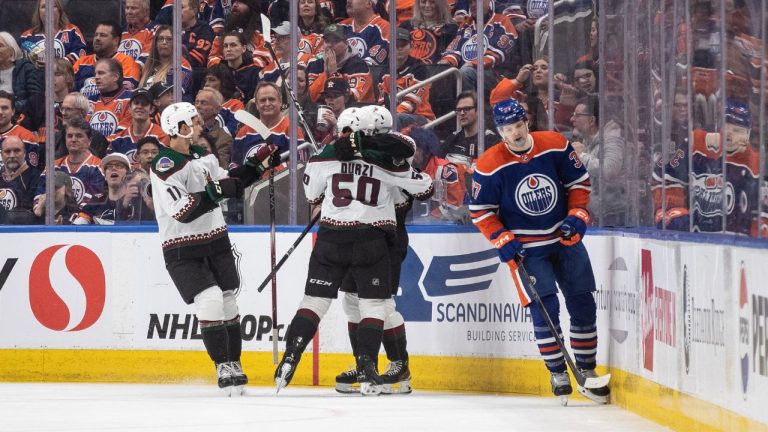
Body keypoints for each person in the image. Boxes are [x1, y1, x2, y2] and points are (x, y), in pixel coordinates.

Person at [274, 122, 434, 395]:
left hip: (384, 238)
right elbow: (423, 186)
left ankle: (397, 363)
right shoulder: (377, 158)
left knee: (380, 305)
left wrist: (354, 149)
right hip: (368, 236)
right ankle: (365, 365)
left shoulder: (387, 151)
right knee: (356, 304)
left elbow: (405, 152)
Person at [469, 98, 609, 404]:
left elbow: (579, 184)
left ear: (527, 122)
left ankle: (586, 370)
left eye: (518, 125)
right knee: (545, 311)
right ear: (499, 131)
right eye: (508, 128)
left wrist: (577, 215)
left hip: (565, 240)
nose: (515, 133)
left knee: (582, 303)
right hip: (528, 251)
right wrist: (502, 239)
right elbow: (480, 211)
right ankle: (558, 371)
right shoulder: (490, 164)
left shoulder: (555, 144)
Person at [149, 101, 279, 395]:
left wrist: (256, 167)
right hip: (182, 248)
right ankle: (222, 364)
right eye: (193, 121)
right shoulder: (163, 166)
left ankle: (235, 363)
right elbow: (183, 210)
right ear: (179, 128)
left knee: (228, 302)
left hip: (216, 240)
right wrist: (219, 191)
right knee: (209, 301)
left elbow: (227, 182)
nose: (199, 125)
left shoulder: (203, 157)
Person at [569, 96, 626, 226]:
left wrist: (582, 156)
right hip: (597, 213)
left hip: (612, 216)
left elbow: (609, 170)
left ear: (591, 120)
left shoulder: (612, 139)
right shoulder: (588, 140)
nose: (572, 119)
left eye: (577, 115)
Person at [35, 117, 105, 206]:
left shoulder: (98, 166)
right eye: (70, 136)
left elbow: (92, 201)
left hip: (83, 218)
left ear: (89, 141)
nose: (73, 139)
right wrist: (40, 209)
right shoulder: (54, 166)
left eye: (79, 136)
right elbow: (39, 194)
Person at [378, 27, 435, 128]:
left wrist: (390, 117)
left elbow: (411, 102)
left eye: (403, 45)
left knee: (398, 118)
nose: (399, 48)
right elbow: (382, 101)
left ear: (411, 46)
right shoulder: (384, 71)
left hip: (422, 117)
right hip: (395, 117)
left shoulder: (419, 68)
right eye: (396, 45)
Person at [306, 24, 375, 103]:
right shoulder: (315, 65)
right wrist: (326, 74)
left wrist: (334, 75)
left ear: (346, 43)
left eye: (336, 41)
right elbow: (309, 99)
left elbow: (353, 99)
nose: (330, 45)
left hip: (356, 112)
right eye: (327, 41)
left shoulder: (359, 66)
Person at [72, 20, 141, 98]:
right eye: (96, 35)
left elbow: (126, 92)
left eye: (103, 35)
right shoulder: (82, 62)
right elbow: (69, 88)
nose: (97, 38)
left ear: (116, 40)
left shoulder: (126, 61)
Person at [19, 0, 87, 66]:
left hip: (66, 76)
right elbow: (21, 62)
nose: (48, 9)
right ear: (38, 12)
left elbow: (80, 55)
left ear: (59, 10)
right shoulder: (26, 37)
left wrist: (56, 64)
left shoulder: (72, 31)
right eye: (43, 6)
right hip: (36, 76)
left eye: (53, 6)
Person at [106, 89, 168, 161]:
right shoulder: (118, 139)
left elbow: (164, 167)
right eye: (136, 103)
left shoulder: (161, 137)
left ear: (152, 109)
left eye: (144, 104)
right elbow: (111, 166)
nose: (139, 106)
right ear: (129, 108)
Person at [137, 25, 193, 102]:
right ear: (155, 44)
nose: (164, 42)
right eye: (160, 39)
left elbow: (173, 97)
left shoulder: (182, 66)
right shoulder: (148, 67)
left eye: (169, 39)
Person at [74, 153, 132, 225]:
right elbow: (77, 228)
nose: (113, 168)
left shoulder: (136, 202)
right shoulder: (95, 201)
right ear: (105, 176)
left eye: (119, 166)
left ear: (128, 175)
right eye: (109, 167)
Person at [441, 90, 499, 160]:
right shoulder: (452, 139)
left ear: (478, 110)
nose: (462, 113)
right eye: (459, 110)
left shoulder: (491, 140)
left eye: (466, 109)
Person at [87, 58, 134, 138]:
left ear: (115, 77)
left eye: (101, 73)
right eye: (95, 74)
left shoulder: (131, 99)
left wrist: (104, 144)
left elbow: (124, 130)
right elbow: (84, 129)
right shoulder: (90, 101)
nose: (96, 77)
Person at [0, 135, 41, 224]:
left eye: (17, 151)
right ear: (1, 155)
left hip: (22, 233)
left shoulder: (35, 177)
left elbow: (30, 214)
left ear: (24, 153)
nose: (12, 155)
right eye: (7, 151)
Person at [0, 32, 42, 114]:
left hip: (20, 117)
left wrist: (12, 107)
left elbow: (35, 99)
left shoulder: (26, 68)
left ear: (12, 50)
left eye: (0, 46)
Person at [340, 0, 391, 66]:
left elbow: (370, 64)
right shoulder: (341, 26)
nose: (348, 1)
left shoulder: (384, 28)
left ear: (369, 4)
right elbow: (323, 55)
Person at [195, 87, 233, 168]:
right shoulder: (187, 132)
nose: (198, 106)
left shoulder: (224, 139)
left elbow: (220, 168)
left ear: (217, 109)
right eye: (196, 102)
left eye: (203, 103)